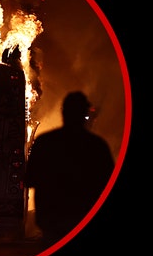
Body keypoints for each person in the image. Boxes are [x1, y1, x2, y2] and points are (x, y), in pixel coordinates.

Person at [25, 91, 115, 243]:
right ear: (85, 115)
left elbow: (29, 179)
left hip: (52, 222)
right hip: (83, 217)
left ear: (64, 113)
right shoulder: (96, 146)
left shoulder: (45, 143)